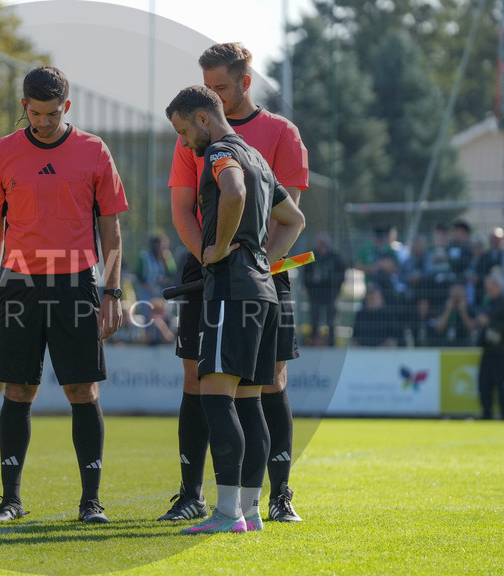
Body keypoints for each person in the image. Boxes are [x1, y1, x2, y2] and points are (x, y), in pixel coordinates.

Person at [162, 42, 310, 525]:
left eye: (184, 132)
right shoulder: (256, 156)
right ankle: (250, 509)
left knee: (216, 394)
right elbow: (294, 219)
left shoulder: (222, 153)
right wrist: (263, 261)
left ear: (203, 120)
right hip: (263, 290)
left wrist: (221, 249)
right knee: (250, 399)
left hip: (231, 290)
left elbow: (233, 191)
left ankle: (226, 510)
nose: (184, 143)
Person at [0, 66, 128, 524]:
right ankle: (10, 500)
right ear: (24, 105)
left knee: (82, 389)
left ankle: (91, 502)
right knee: (18, 388)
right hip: (19, 285)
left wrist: (112, 290)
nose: (42, 122)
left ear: (67, 107)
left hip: (77, 283)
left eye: (51, 113)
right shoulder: (4, 152)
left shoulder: (93, 150)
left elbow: (111, 227)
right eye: (34, 112)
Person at [475, 271, 504, 419]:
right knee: (484, 384)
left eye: (490, 287)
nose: (488, 290)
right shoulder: (489, 303)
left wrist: (489, 323)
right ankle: (487, 414)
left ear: (498, 287)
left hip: (502, 350)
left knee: (502, 384)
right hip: (488, 349)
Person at [300, 233, 346, 347]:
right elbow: (305, 275)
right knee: (314, 319)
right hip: (315, 294)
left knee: (331, 320)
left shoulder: (335, 257)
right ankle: (312, 342)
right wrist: (309, 290)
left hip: (330, 293)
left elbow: (341, 275)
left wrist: (336, 291)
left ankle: (331, 343)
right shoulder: (311, 256)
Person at [134, 233, 177, 301]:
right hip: (148, 290)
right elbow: (138, 274)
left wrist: (165, 280)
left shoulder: (167, 257)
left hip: (163, 290)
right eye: (160, 245)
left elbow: (172, 274)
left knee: (164, 310)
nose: (162, 248)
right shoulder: (144, 256)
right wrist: (146, 284)